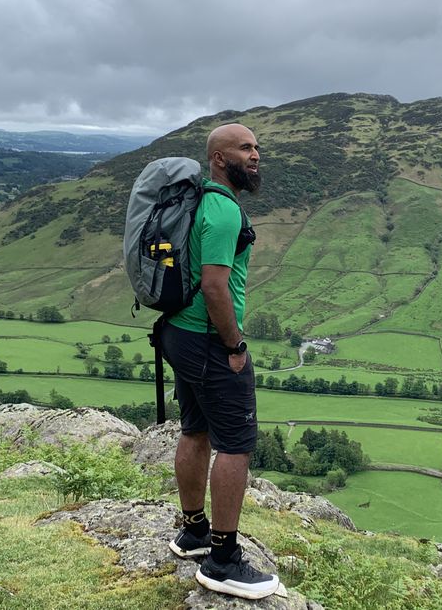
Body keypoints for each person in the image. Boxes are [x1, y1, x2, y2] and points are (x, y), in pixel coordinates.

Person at [162, 123, 278, 600]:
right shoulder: (224, 210)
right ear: (217, 159)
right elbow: (214, 286)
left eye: (257, 148)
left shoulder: (199, 201)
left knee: (195, 430)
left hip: (179, 334)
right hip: (211, 342)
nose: (255, 156)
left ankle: (193, 532)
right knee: (236, 445)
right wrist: (235, 347)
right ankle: (223, 560)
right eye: (245, 148)